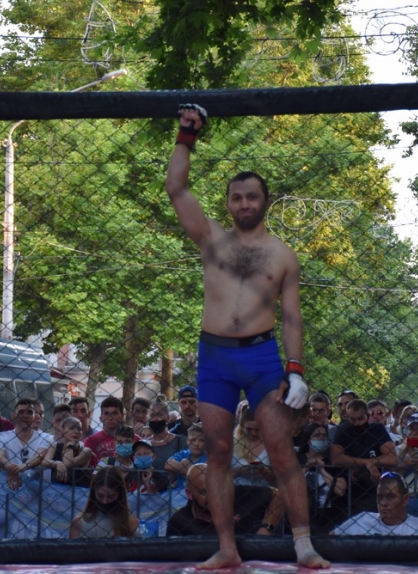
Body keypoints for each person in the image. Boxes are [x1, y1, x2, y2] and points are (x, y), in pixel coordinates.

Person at [165, 103, 328, 569]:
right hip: (214, 356)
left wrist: (296, 373)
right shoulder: (212, 239)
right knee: (217, 453)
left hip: (262, 358)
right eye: (236, 198)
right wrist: (186, 136)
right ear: (228, 203)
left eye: (251, 197)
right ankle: (227, 548)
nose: (243, 204)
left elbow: (292, 317)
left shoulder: (283, 256)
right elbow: (176, 186)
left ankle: (303, 546)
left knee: (281, 452)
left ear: (265, 201)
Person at [166, 463, 284, 537]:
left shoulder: (236, 493)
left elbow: (278, 494)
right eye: (204, 492)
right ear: (190, 494)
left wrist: (267, 528)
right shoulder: (179, 522)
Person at [331, 399, 398, 515]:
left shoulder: (377, 429)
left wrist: (359, 463)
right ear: (347, 417)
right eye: (352, 419)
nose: (357, 423)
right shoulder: (342, 430)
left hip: (376, 488)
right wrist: (367, 463)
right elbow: (336, 458)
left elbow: (392, 458)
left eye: (360, 418)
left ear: (367, 416)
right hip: (350, 490)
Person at [332, 472, 418, 536]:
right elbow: (330, 539)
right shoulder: (362, 519)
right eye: (380, 497)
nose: (383, 503)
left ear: (405, 499)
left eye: (391, 496)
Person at [0, 398, 54, 490]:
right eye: (21, 412)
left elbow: (39, 456)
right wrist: (11, 469)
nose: (25, 415)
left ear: (35, 417)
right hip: (10, 489)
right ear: (13, 416)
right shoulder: (1, 437)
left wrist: (24, 466)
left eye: (29, 412)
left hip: (38, 493)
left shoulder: (46, 437)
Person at [298, 422, 348, 534]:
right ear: (308, 439)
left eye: (324, 435)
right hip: (301, 514)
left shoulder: (332, 462)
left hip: (329, 516)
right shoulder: (297, 459)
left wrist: (322, 470)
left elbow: (340, 490)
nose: (321, 438)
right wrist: (307, 467)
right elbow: (289, 485)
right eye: (317, 435)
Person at [69, 466, 139, 539]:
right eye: (100, 496)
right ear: (94, 493)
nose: (105, 501)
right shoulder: (79, 522)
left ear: (120, 495)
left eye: (111, 496)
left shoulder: (130, 522)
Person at [40, 416, 93, 487]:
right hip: (56, 489)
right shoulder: (56, 446)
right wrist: (57, 463)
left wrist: (70, 445)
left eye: (79, 429)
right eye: (71, 428)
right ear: (62, 430)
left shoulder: (86, 451)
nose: (76, 431)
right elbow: (44, 462)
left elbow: (68, 463)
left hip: (78, 491)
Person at [232, 404, 275, 487]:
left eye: (257, 429)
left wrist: (265, 472)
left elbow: (278, 479)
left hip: (263, 492)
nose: (253, 433)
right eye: (249, 429)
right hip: (236, 490)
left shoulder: (270, 444)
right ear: (242, 426)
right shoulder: (232, 443)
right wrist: (240, 471)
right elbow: (221, 474)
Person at [83, 396, 132, 462]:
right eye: (106, 413)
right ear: (101, 417)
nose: (110, 418)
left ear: (122, 416)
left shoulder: (133, 438)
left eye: (114, 413)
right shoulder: (91, 440)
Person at [166, 423, 208, 489]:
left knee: (184, 461)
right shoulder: (183, 453)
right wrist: (194, 472)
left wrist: (184, 466)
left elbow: (205, 475)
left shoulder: (208, 457)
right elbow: (168, 464)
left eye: (201, 440)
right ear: (187, 441)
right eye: (193, 440)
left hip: (198, 493)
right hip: (179, 493)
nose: (197, 444)